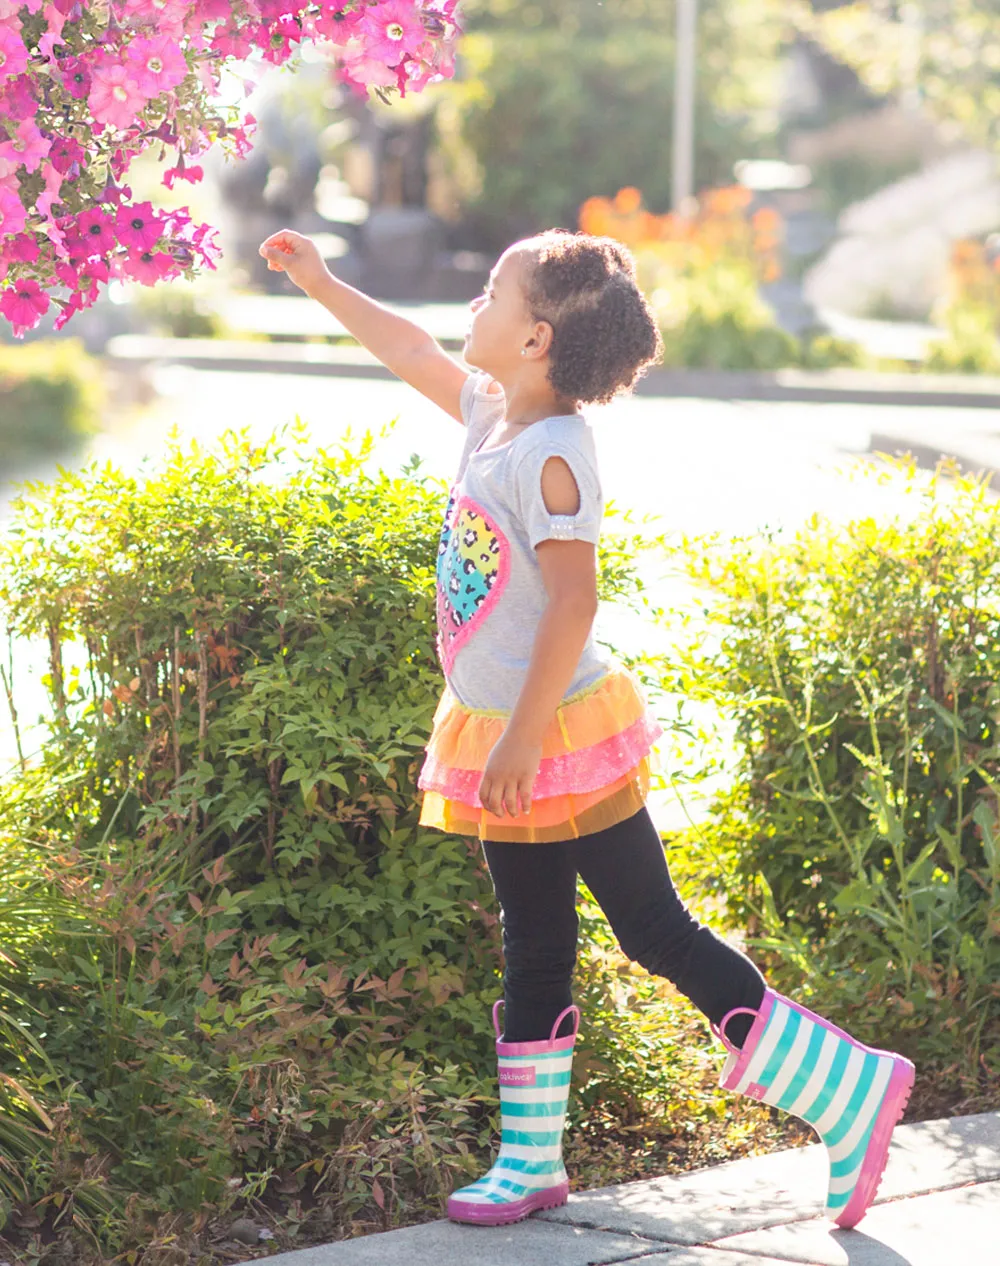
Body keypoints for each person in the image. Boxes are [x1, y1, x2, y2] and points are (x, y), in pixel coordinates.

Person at [257, 227, 915, 1232]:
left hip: (551, 730)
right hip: (500, 730)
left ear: (537, 338)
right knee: (535, 944)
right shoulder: (491, 415)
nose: (472, 307)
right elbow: (409, 352)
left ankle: (845, 1089)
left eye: (491, 292)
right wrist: (321, 281)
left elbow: (572, 603)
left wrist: (520, 740)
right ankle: (528, 1163)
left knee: (653, 930)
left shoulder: (555, 453)